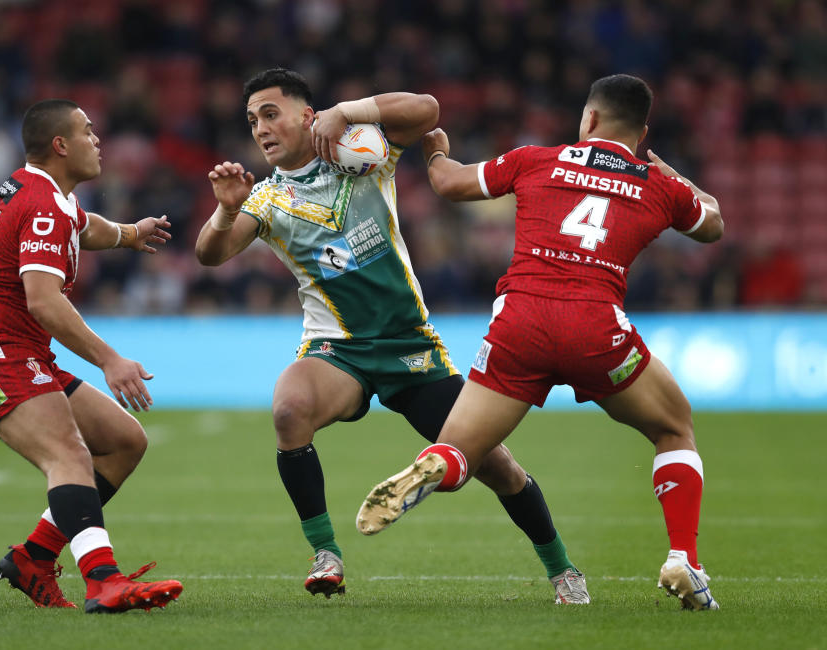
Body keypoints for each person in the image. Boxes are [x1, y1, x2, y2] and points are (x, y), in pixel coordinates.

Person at [195, 68, 589, 604]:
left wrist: (350, 110)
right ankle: (326, 554)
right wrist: (226, 209)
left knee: (495, 465)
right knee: (289, 410)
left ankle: (563, 569)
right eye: (252, 121)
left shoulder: (359, 149)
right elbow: (210, 255)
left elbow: (427, 110)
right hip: (338, 351)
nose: (260, 128)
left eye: (270, 113)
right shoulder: (265, 201)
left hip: (410, 347)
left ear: (307, 115)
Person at [357, 74, 724, 611]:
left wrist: (436, 153)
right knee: (673, 428)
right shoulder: (658, 186)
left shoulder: (536, 159)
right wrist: (678, 178)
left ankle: (438, 463)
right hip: (597, 329)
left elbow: (450, 185)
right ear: (642, 132)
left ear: (590, 119)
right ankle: (683, 559)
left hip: (520, 323)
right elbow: (713, 224)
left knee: (460, 450)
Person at [0, 99, 182, 613]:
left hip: (18, 351)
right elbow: (43, 300)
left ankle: (32, 558)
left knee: (123, 442)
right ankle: (104, 580)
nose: (98, 140)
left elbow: (84, 226)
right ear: (60, 146)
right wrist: (110, 359)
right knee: (68, 453)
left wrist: (130, 234)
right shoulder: (44, 205)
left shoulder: (48, 195)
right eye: (88, 132)